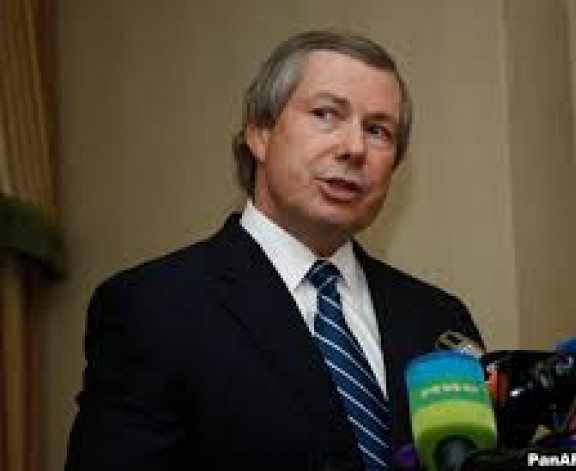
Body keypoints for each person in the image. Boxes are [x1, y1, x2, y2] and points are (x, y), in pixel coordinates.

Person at [64, 29, 483, 471]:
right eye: (326, 114)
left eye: (378, 130)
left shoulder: (440, 320)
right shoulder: (154, 308)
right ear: (259, 132)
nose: (355, 148)